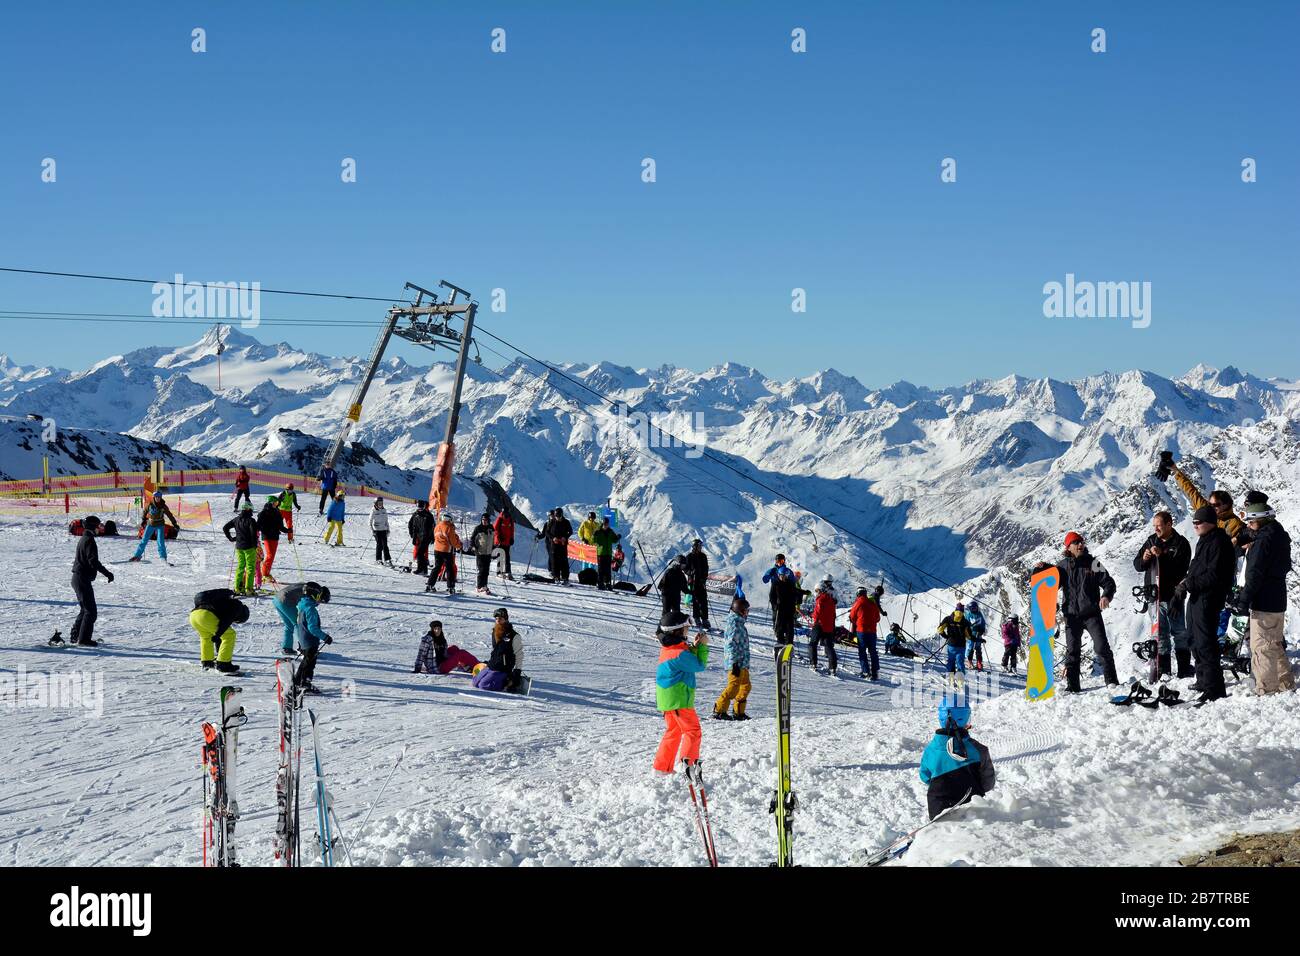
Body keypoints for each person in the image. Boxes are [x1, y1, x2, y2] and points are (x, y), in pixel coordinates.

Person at [1229, 497, 1294, 694]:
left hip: (1263, 601)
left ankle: (1266, 689)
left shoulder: (1262, 542)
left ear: (1262, 519)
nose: (1248, 525)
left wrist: (1243, 600)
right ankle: (1285, 683)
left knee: (1261, 646)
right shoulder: (1279, 535)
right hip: (1277, 600)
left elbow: (1254, 574)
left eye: (1251, 521)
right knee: (1273, 643)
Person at [1181, 505, 1235, 703]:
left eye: (1199, 522)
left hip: (1209, 598)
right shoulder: (1205, 540)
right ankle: (1203, 680)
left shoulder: (1220, 542)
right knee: (1194, 639)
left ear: (1210, 523)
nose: (1195, 525)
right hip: (1196, 597)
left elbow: (1214, 575)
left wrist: (1189, 583)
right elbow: (1196, 568)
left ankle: (1215, 687)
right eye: (1194, 521)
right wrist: (1186, 582)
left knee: (1206, 642)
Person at [1132, 510, 1192, 677]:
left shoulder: (1181, 543)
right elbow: (1137, 565)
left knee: (1179, 633)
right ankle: (1164, 671)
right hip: (1154, 597)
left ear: (1169, 524)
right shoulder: (1151, 541)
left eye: (1159, 525)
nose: (1156, 529)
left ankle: (1184, 670)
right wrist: (1144, 558)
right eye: (1154, 526)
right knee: (1160, 635)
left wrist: (1162, 557)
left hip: (1173, 597)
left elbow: (1181, 570)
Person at [1056, 531, 1119, 691]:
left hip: (1092, 614)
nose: (1080, 545)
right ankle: (1073, 686)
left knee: (1101, 647)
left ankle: (1111, 681)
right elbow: (1050, 584)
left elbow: (1109, 582)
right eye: (1076, 543)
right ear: (1068, 547)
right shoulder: (1062, 566)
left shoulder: (1093, 563)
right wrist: (1040, 569)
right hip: (1071, 616)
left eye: (1081, 542)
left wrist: (1106, 596)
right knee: (1072, 651)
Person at [918, 698, 996, 821]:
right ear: (964, 719)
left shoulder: (930, 750)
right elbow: (988, 784)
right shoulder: (979, 750)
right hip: (973, 812)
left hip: (939, 810)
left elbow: (925, 776)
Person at [652, 609, 709, 775]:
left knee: (674, 732)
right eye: (686, 629)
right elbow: (698, 665)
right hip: (679, 701)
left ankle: (662, 767)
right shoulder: (678, 654)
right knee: (693, 731)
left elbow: (687, 657)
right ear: (677, 632)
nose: (688, 632)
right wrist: (703, 646)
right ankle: (688, 766)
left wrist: (696, 646)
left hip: (670, 701)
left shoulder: (672, 650)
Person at [1160, 454, 1246, 546]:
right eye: (1211, 504)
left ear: (1226, 505)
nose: (1213, 507)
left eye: (1216, 504)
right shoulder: (1207, 511)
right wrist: (1176, 471)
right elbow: (1192, 493)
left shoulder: (1235, 523)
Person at [69, 515, 113, 647]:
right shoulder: (89, 540)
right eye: (99, 525)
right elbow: (93, 561)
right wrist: (107, 573)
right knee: (91, 611)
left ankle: (76, 636)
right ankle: (83, 639)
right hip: (81, 578)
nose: (100, 528)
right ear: (93, 527)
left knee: (85, 609)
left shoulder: (85, 537)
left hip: (78, 578)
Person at [191, 588, 249, 674]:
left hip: (194, 616)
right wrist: (218, 635)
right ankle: (223, 664)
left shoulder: (226, 604)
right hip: (206, 615)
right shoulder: (236, 607)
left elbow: (220, 632)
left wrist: (218, 636)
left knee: (206, 637)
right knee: (230, 635)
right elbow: (225, 623)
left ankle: (207, 662)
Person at [712, 597, 751, 720]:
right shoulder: (734, 624)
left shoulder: (740, 623)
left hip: (742, 662)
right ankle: (719, 710)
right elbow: (730, 645)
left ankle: (738, 712)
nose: (747, 613)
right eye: (746, 610)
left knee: (746, 686)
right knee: (733, 687)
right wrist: (734, 662)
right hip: (736, 663)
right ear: (740, 611)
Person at [273, 581, 331, 656]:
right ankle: (304, 648)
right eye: (321, 600)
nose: (319, 603)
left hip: (277, 599)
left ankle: (286, 647)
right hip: (285, 601)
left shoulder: (311, 587)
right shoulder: (311, 592)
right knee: (298, 624)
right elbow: (303, 605)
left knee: (289, 625)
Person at [472, 608, 521, 692]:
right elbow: (496, 650)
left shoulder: (514, 635)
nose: (498, 620)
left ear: (505, 619)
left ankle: (508, 683)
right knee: (475, 682)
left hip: (503, 668)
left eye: (500, 618)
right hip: (493, 664)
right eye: (496, 618)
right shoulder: (495, 631)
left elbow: (519, 654)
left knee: (483, 686)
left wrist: (517, 671)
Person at [412, 619, 481, 674]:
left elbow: (444, 653)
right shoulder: (427, 639)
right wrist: (417, 669)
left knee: (454, 648)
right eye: (435, 629)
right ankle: (478, 665)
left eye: (439, 629)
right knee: (461, 653)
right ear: (432, 629)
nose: (437, 631)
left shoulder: (441, 638)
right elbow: (421, 655)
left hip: (443, 661)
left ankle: (467, 667)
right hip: (438, 668)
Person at [222, 501, 261, 595]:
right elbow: (253, 533)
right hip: (249, 547)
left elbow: (225, 528)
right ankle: (248, 589)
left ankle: (237, 588)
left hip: (239, 547)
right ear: (248, 509)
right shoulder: (251, 520)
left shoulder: (236, 519)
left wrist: (231, 538)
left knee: (240, 567)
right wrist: (255, 545)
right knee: (250, 568)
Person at [130, 490, 180, 562]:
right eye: (156, 497)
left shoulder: (163, 506)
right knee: (144, 540)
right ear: (154, 497)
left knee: (160, 542)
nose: (158, 498)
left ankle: (163, 557)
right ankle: (137, 556)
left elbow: (169, 514)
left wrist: (174, 523)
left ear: (161, 497)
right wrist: (143, 520)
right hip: (150, 524)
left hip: (160, 525)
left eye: (159, 497)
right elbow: (145, 511)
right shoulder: (150, 504)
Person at [763, 554, 801, 645]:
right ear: (775, 562)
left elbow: (793, 582)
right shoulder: (773, 570)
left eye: (782, 561)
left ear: (784, 561)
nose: (780, 563)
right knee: (777, 615)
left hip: (787, 594)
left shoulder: (788, 571)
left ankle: (788, 638)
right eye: (778, 561)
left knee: (788, 620)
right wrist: (768, 576)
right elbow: (765, 580)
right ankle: (778, 633)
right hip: (776, 592)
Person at [849, 585, 884, 680]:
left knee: (862, 651)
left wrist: (857, 620)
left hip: (862, 631)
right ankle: (875, 672)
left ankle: (865, 671)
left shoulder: (858, 602)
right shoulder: (872, 603)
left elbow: (852, 616)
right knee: (873, 651)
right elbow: (877, 618)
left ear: (858, 594)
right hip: (872, 631)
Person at [808, 576, 838, 674]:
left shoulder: (820, 599)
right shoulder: (831, 600)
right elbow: (833, 614)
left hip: (819, 625)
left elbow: (818, 613)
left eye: (817, 590)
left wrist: (813, 617)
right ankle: (832, 667)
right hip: (829, 626)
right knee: (829, 646)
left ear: (821, 590)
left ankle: (813, 663)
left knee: (813, 643)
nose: (816, 592)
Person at [427, 511, 461, 593]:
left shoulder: (437, 526)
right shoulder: (449, 527)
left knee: (437, 567)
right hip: (446, 550)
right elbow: (453, 541)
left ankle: (430, 584)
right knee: (449, 568)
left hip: (437, 549)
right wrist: (459, 545)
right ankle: (451, 587)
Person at [257, 496, 288, 584]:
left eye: (277, 503)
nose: (277, 504)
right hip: (267, 536)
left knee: (272, 556)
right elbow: (258, 525)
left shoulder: (277, 512)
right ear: (271, 502)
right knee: (270, 555)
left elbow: (280, 526)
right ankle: (264, 574)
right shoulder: (263, 512)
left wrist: (287, 530)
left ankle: (267, 573)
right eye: (275, 502)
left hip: (275, 536)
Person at [591, 517, 622, 591]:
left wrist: (618, 537)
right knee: (601, 569)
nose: (606, 525)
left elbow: (614, 540)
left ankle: (608, 583)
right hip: (601, 553)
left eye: (607, 524)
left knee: (608, 569)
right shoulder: (598, 531)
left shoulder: (610, 531)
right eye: (605, 524)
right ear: (602, 524)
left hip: (608, 553)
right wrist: (593, 535)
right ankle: (600, 583)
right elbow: (593, 541)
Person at [685, 539, 710, 629]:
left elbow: (706, 568)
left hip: (701, 582)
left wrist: (704, 578)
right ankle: (697, 618)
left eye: (701, 546)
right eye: (699, 546)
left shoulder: (703, 556)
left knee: (704, 601)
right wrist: (690, 572)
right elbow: (685, 569)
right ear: (694, 546)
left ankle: (705, 619)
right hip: (693, 582)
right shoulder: (689, 557)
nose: (700, 548)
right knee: (695, 601)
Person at [469, 512, 495, 595]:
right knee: (481, 570)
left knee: (486, 571)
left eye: (486, 520)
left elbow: (493, 539)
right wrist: (473, 547)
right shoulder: (478, 528)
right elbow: (472, 539)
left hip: (488, 553)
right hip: (480, 552)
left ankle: (484, 586)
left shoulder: (491, 528)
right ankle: (479, 587)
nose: (484, 521)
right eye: (483, 519)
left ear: (489, 520)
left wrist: (494, 547)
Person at [547, 508, 573, 583]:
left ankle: (565, 577)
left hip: (563, 544)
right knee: (555, 561)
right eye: (556, 516)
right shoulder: (552, 522)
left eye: (559, 516)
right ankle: (556, 576)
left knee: (564, 561)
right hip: (554, 544)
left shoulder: (566, 522)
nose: (557, 518)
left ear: (561, 515)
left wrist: (565, 537)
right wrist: (553, 538)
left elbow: (570, 531)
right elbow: (547, 532)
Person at [409, 501, 435, 575]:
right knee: (421, 554)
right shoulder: (415, 515)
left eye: (421, 507)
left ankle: (420, 569)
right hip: (418, 537)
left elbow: (433, 527)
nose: (420, 509)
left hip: (426, 537)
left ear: (424, 507)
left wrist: (432, 537)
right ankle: (424, 570)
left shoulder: (428, 515)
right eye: (418, 507)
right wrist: (413, 536)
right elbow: (412, 525)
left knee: (420, 553)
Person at [964, 600, 987, 671]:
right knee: (970, 648)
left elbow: (983, 623)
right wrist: (968, 631)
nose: (974, 609)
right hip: (971, 634)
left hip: (978, 634)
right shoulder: (969, 615)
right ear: (970, 609)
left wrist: (982, 630)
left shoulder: (979, 614)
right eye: (972, 608)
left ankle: (979, 662)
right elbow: (966, 624)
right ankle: (969, 662)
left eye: (975, 608)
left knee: (978, 648)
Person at [493, 508, 515, 579]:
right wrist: (499, 536)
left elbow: (512, 530)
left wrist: (512, 538)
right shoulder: (499, 519)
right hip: (500, 542)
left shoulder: (510, 520)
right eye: (505, 513)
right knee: (501, 556)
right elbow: (495, 529)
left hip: (507, 542)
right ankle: (499, 572)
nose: (506, 515)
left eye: (507, 513)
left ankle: (508, 572)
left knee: (507, 557)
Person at [370, 497, 392, 566]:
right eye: (379, 503)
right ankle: (378, 559)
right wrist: (372, 530)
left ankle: (387, 559)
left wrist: (388, 529)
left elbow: (386, 521)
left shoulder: (384, 510)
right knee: (379, 545)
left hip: (384, 529)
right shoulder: (373, 511)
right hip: (376, 530)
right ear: (376, 503)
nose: (380, 504)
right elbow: (370, 521)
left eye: (381, 503)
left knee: (385, 545)